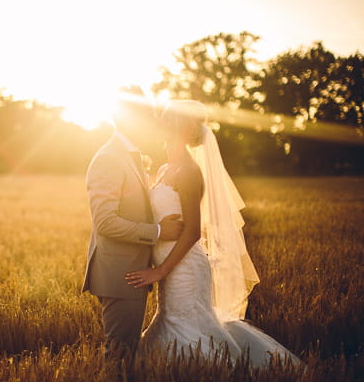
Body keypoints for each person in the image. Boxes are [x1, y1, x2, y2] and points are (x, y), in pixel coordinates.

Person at [125, 100, 301, 367]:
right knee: (171, 320)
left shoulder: (188, 172)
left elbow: (193, 231)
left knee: (185, 324)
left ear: (181, 128)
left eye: (167, 120)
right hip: (166, 263)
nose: (161, 125)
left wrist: (160, 272)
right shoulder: (163, 170)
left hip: (184, 267)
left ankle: (221, 368)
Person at [82, 87, 184, 361]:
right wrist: (160, 232)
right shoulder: (108, 159)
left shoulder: (129, 156)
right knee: (119, 355)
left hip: (132, 273)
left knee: (127, 352)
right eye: (148, 114)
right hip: (121, 275)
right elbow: (105, 222)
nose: (153, 120)